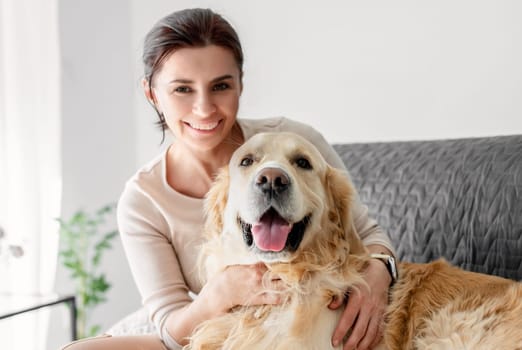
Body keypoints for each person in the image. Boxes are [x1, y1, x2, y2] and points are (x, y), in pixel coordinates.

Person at [61, 8, 395, 350]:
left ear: (240, 84)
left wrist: (378, 275)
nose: (204, 108)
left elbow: (367, 234)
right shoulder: (143, 200)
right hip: (216, 324)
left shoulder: (295, 142)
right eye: (182, 89)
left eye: (220, 86)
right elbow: (171, 330)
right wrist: (223, 290)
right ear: (152, 94)